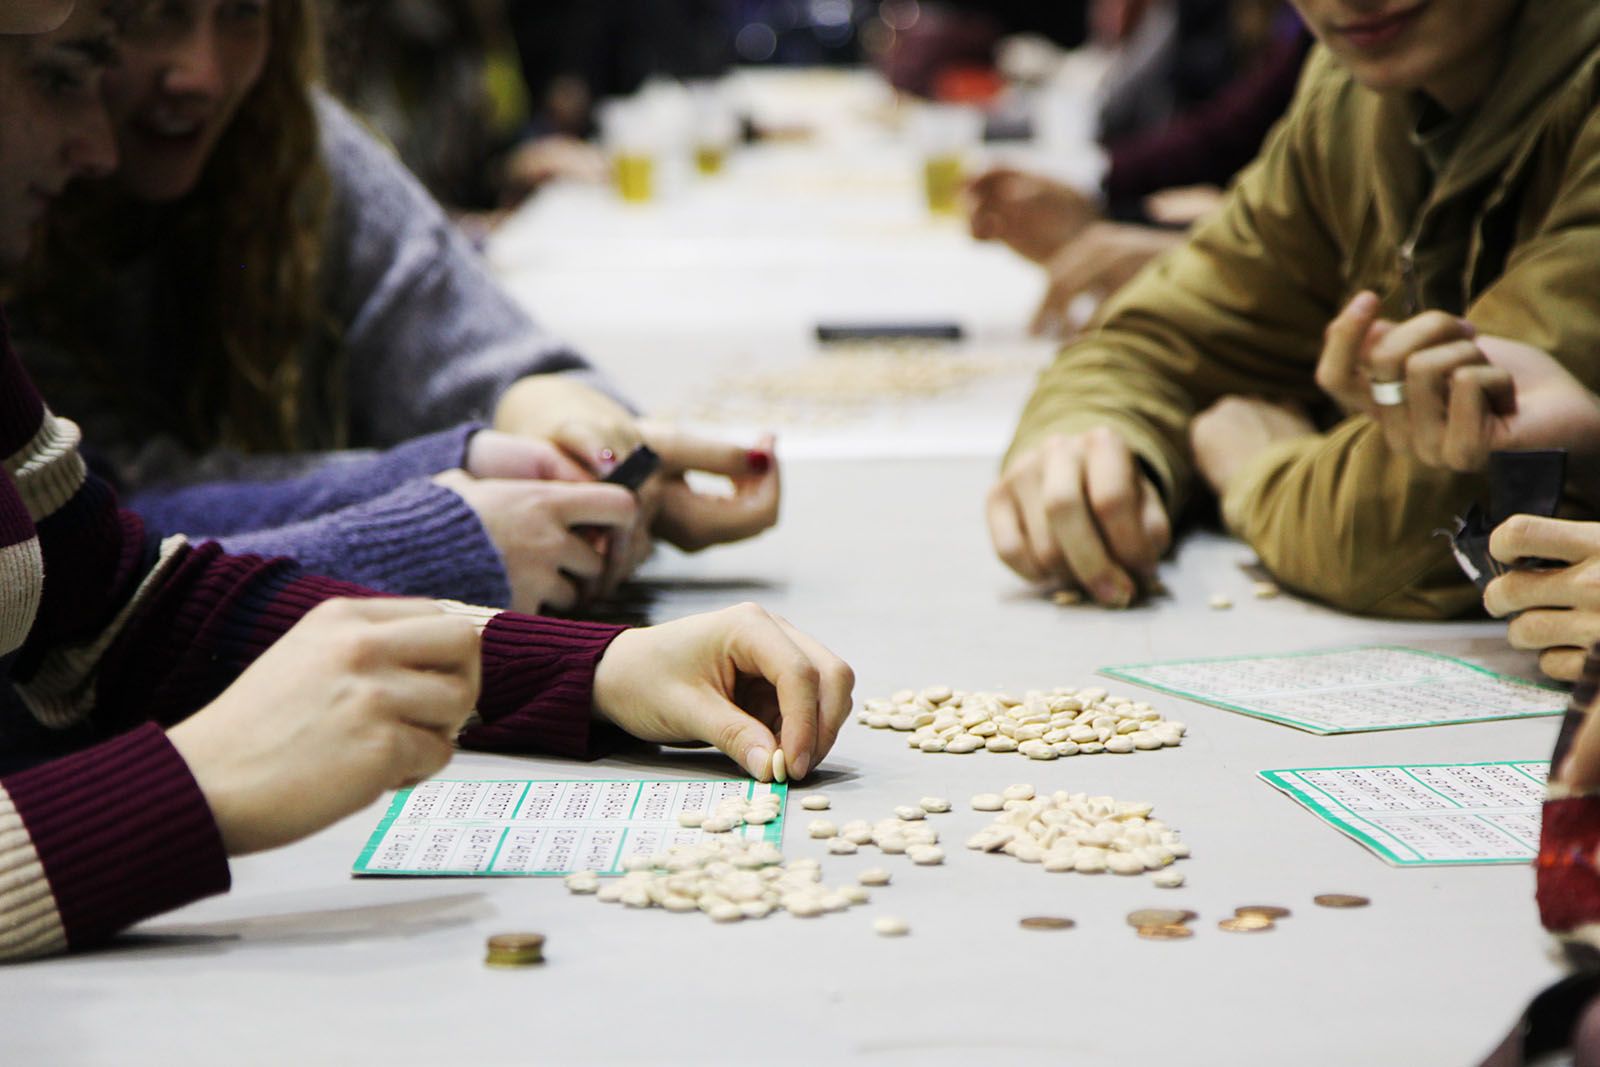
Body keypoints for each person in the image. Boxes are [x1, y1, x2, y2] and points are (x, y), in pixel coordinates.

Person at [0, 0, 853, 962]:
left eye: (238, 15)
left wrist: (593, 665)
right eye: (65, 73)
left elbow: (115, 602)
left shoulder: (291, 135)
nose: (95, 144)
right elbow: (138, 516)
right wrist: (188, 788)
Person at [10, 0, 778, 618]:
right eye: (151, 15)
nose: (202, 73)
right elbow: (97, 540)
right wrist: (456, 503)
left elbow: (467, 335)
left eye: (243, 12)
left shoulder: (290, 135)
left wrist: (560, 420)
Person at [988, 0, 1600, 618]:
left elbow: (1416, 524)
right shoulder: (1353, 93)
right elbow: (1153, 341)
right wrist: (1088, 446)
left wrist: (1256, 470)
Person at [967, 2, 1310, 333]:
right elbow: (1227, 133)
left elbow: (1315, 259)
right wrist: (1100, 202)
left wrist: (1201, 257)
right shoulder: (1321, 55)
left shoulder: (1329, 47)